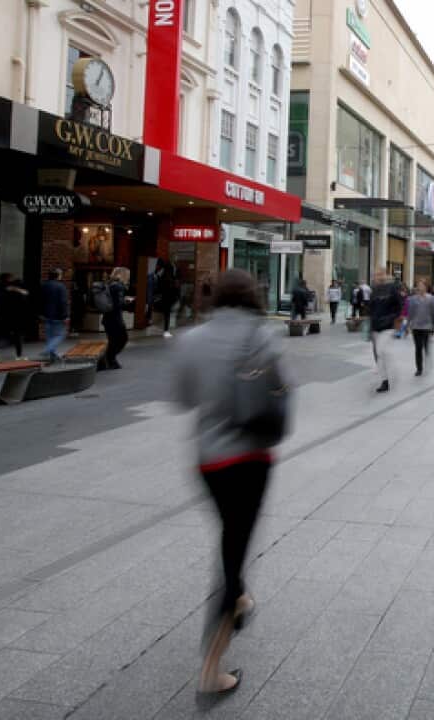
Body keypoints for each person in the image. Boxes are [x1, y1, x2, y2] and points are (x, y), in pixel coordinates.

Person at [174, 269, 288, 698]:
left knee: (229, 536)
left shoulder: (191, 339)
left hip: (208, 461)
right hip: (251, 458)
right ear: (252, 297)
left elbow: (183, 398)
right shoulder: (264, 336)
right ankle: (210, 670)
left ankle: (239, 596)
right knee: (232, 554)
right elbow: (281, 394)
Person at [368, 271, 404, 392]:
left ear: (384, 276)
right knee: (379, 354)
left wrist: (393, 318)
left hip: (388, 326)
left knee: (381, 350)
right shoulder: (374, 291)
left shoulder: (392, 289)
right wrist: (370, 326)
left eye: (380, 275)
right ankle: (385, 381)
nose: (377, 277)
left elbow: (399, 306)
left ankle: (392, 370)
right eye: (376, 275)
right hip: (376, 327)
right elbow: (371, 309)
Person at [405, 281, 434, 376]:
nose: (420, 287)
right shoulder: (413, 299)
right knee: (418, 348)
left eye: (422, 285)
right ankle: (419, 368)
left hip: (427, 327)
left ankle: (427, 357)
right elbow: (410, 313)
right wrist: (407, 325)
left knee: (426, 346)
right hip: (416, 326)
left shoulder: (432, 299)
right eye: (419, 286)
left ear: (426, 287)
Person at [102, 267, 130, 370]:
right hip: (115, 319)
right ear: (123, 275)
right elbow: (118, 304)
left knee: (113, 341)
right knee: (123, 339)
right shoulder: (118, 286)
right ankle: (108, 360)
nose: (128, 278)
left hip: (108, 319)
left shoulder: (110, 284)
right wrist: (126, 301)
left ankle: (109, 361)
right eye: (127, 275)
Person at [39, 269, 69, 362]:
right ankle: (48, 349)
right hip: (58, 315)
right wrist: (65, 316)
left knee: (50, 335)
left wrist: (40, 313)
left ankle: (52, 355)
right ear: (58, 276)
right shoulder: (61, 287)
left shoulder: (44, 286)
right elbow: (63, 302)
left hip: (47, 315)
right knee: (60, 335)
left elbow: (39, 300)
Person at [0, 274, 31, 360]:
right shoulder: (16, 291)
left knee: (8, 335)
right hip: (17, 317)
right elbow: (26, 294)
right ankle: (19, 355)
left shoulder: (4, 289)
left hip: (7, 316)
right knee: (17, 336)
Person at [153, 260, 178, 337]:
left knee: (164, 313)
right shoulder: (171, 278)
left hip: (162, 297)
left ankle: (163, 329)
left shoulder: (161, 276)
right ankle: (166, 330)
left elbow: (158, 287)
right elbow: (174, 289)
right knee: (167, 315)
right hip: (168, 298)